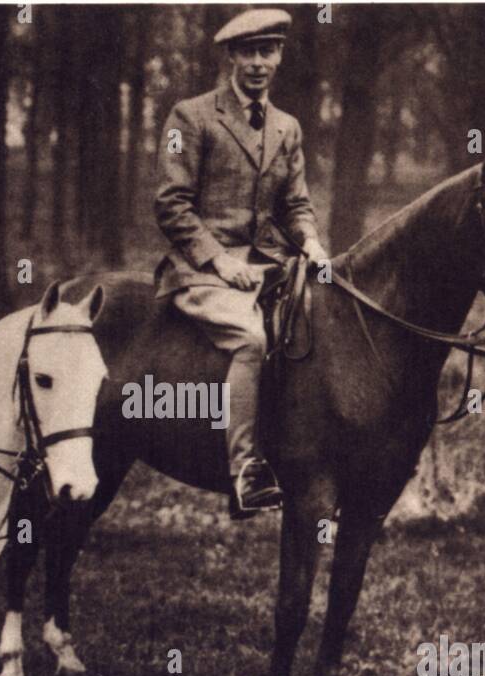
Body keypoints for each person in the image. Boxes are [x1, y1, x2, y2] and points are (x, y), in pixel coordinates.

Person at [154, 8, 329, 519]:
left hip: (270, 267)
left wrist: (312, 245)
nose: (258, 63)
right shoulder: (191, 116)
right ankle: (246, 472)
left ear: (279, 56)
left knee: (320, 331)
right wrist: (217, 261)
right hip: (199, 271)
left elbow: (295, 204)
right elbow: (171, 204)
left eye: (268, 51)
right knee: (252, 341)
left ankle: (303, 453)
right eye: (248, 52)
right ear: (231, 56)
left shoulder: (287, 127)